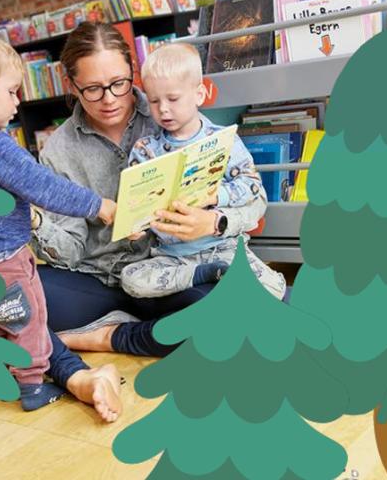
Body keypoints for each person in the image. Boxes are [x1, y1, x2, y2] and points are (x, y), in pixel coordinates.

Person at [30, 22, 274, 357]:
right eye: (93, 89)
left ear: (132, 71)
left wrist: (214, 222)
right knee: (18, 296)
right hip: (103, 279)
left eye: (119, 83)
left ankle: (111, 336)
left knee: (227, 316)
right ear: (71, 85)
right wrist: (35, 221)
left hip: (178, 267)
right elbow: (71, 251)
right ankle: (144, 328)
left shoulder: (173, 105)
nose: (109, 99)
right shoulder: (58, 151)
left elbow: (254, 198)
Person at [0, 30, 121, 421]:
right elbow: (43, 187)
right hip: (3, 259)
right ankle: (32, 385)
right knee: (29, 320)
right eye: (12, 91)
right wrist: (97, 205)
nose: (18, 101)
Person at [120, 42, 286, 299]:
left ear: (199, 94)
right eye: (153, 101)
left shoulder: (224, 140)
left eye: (173, 99)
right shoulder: (145, 151)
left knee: (275, 289)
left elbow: (251, 185)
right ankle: (201, 275)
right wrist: (134, 226)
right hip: (172, 257)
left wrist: (217, 195)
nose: (163, 109)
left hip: (224, 248)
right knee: (131, 280)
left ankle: (218, 276)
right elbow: (135, 203)